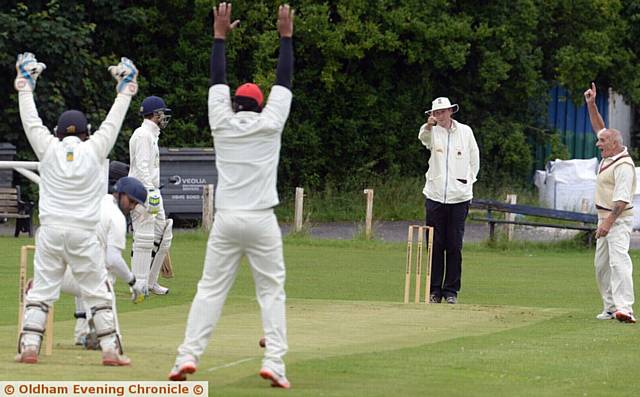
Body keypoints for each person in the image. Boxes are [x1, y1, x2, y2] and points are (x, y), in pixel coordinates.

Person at [168, 3, 294, 389]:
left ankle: (187, 355)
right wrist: (286, 38)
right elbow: (284, 81)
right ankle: (275, 362)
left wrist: (219, 37)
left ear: (235, 104)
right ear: (260, 105)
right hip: (260, 218)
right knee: (271, 291)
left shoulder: (220, 122)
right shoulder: (271, 123)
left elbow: (215, 80)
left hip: (226, 219)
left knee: (210, 290)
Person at [14, 52, 138, 365]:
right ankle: (110, 351)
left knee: (42, 291)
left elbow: (30, 121)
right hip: (84, 233)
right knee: (97, 291)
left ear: (58, 132)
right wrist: (125, 89)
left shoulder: (48, 148)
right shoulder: (94, 149)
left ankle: (29, 347)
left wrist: (25, 87)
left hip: (52, 232)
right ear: (85, 133)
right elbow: (113, 122)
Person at [61, 163, 148, 348]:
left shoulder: (96, 200)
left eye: (135, 204)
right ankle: (110, 339)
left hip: (56, 271)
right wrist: (133, 282)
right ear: (121, 194)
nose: (132, 207)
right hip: (77, 276)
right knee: (105, 281)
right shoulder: (116, 217)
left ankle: (83, 333)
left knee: (91, 267)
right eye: (131, 201)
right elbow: (113, 259)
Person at [418, 97, 480, 304]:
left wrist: (467, 183)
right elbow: (423, 138)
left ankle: (451, 291)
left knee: (454, 245)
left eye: (443, 111)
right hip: (435, 196)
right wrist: (428, 125)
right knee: (435, 245)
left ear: (451, 111)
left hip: (459, 198)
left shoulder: (465, 131)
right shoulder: (431, 131)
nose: (440, 116)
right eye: (436, 113)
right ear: (432, 115)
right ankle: (434, 290)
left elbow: (474, 160)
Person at [584, 82, 636, 324]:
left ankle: (625, 308)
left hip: (617, 219)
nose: (598, 144)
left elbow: (622, 200)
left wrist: (607, 223)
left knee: (619, 262)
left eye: (602, 142)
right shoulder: (610, 152)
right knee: (601, 266)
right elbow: (600, 127)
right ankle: (610, 307)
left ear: (614, 144)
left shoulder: (623, 165)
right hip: (603, 217)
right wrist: (591, 104)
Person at [128, 95, 173, 296]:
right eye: (162, 114)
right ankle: (139, 282)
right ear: (155, 114)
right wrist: (151, 192)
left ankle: (151, 281)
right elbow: (142, 166)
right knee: (143, 237)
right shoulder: (143, 135)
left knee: (164, 232)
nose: (164, 118)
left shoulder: (151, 135)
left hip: (151, 191)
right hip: (142, 192)